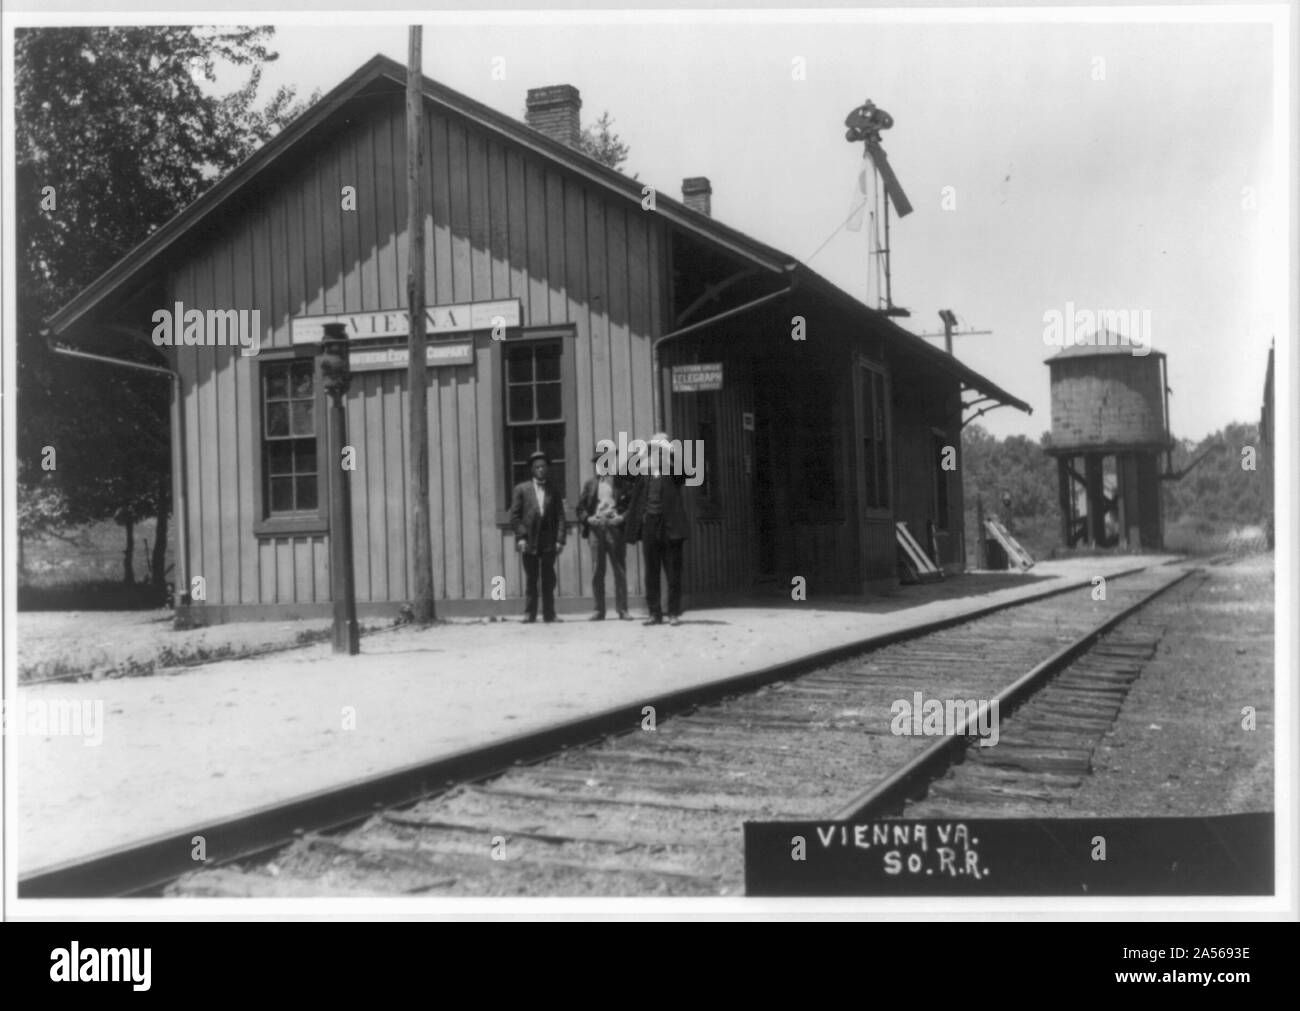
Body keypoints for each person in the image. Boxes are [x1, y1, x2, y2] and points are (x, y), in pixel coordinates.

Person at [625, 432, 689, 626]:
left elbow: (686, 473)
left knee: (673, 572)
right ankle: (654, 613)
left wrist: (672, 452)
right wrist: (643, 451)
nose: (657, 454)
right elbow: (625, 472)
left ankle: (673, 613)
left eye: (661, 450)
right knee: (651, 572)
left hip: (671, 526)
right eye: (655, 450)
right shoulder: (643, 474)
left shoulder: (674, 473)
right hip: (650, 525)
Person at [509, 449, 567, 623]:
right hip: (529, 540)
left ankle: (549, 614)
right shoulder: (521, 489)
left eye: (543, 467)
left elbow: (561, 517)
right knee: (531, 577)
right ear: (532, 470)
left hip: (548, 540)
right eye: (537, 467)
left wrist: (560, 540)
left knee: (548, 578)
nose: (541, 469)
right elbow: (515, 516)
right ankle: (529, 613)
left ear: (547, 469)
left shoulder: (553, 490)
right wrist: (521, 537)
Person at [575, 445, 632, 621]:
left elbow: (632, 506)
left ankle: (622, 609)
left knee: (619, 569)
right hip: (596, 528)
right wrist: (588, 519)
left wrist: (622, 518)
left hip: (614, 528)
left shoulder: (621, 483)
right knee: (597, 570)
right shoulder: (591, 484)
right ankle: (599, 610)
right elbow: (580, 508)